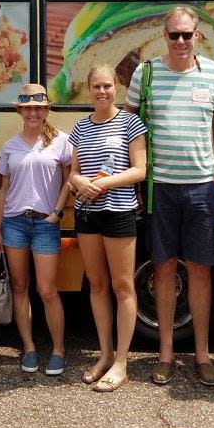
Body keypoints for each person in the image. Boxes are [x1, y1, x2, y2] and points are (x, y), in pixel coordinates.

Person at [124, 6, 214, 387]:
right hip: (160, 188)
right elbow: (129, 124)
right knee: (164, 270)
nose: (181, 42)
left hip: (202, 188)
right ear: (164, 36)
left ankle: (202, 355)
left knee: (200, 271)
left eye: (187, 35)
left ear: (197, 35)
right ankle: (166, 354)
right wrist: (135, 177)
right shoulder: (146, 73)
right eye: (174, 35)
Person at [69, 64, 147, 392]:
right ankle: (104, 355)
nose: (102, 92)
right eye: (96, 86)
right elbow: (72, 173)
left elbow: (140, 171)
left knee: (123, 287)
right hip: (87, 214)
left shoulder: (131, 123)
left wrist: (102, 184)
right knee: (97, 286)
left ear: (117, 87)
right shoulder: (79, 128)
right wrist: (80, 182)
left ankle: (121, 362)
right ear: (89, 89)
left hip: (118, 213)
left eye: (108, 86)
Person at [0, 84, 72, 375]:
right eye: (27, 108)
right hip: (15, 221)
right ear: (20, 110)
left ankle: (58, 350)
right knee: (19, 287)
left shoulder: (61, 142)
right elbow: (4, 190)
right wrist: (0, 228)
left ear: (46, 110)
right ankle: (28, 347)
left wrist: (56, 213)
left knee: (47, 289)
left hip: (44, 224)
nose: (33, 113)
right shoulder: (10, 146)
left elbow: (69, 179)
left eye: (39, 107)